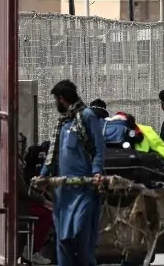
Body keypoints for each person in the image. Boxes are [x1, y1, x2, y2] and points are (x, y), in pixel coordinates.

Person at [38, 79, 106, 266]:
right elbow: (53, 155)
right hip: (62, 194)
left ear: (61, 99)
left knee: (81, 239)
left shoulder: (87, 116)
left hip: (84, 192)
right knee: (63, 242)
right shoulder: (63, 123)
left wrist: (97, 172)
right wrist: (43, 175)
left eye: (55, 100)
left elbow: (99, 149)